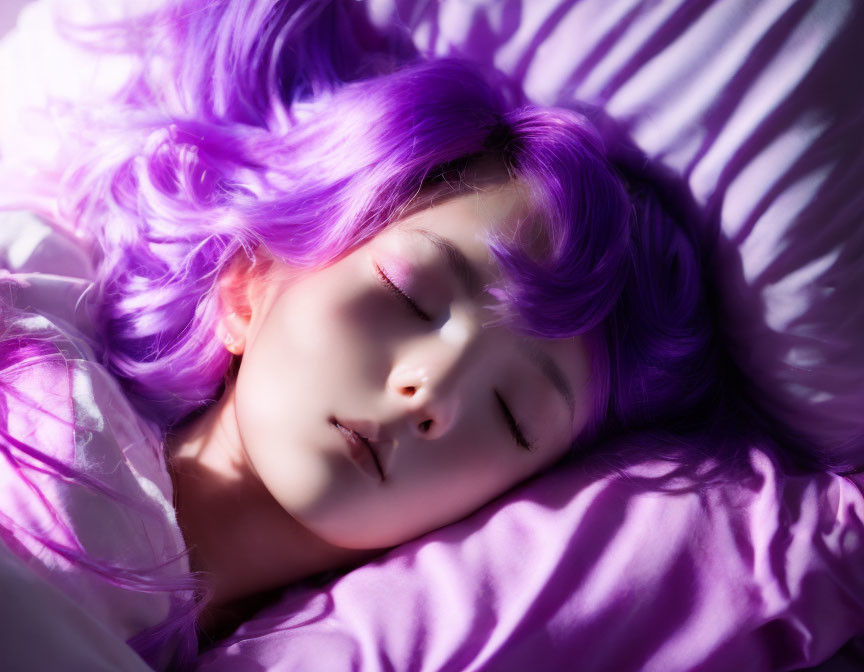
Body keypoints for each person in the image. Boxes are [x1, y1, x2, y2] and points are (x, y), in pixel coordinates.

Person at [0, 0, 763, 668]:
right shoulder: (29, 349)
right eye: (411, 295)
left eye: (511, 413)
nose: (427, 389)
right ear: (251, 277)